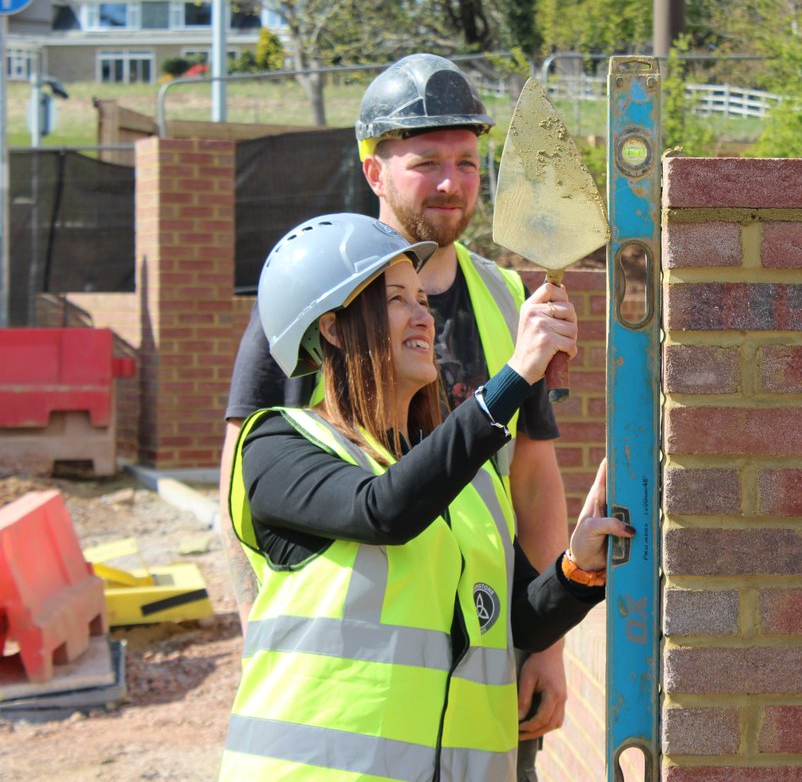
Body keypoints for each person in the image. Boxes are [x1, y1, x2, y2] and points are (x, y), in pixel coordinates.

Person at [218, 54, 573, 779]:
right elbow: (262, 486)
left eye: (468, 163)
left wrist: (549, 640)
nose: (451, 183)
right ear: (375, 171)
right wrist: (259, 625)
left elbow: (532, 482)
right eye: (427, 161)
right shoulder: (311, 293)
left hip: (476, 667)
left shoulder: (508, 299)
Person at [219, 213, 629, 781]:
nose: (423, 316)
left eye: (422, 298)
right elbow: (382, 509)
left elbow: (512, 625)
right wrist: (514, 376)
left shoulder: (468, 481)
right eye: (396, 299)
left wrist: (577, 569)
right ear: (334, 329)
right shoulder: (279, 445)